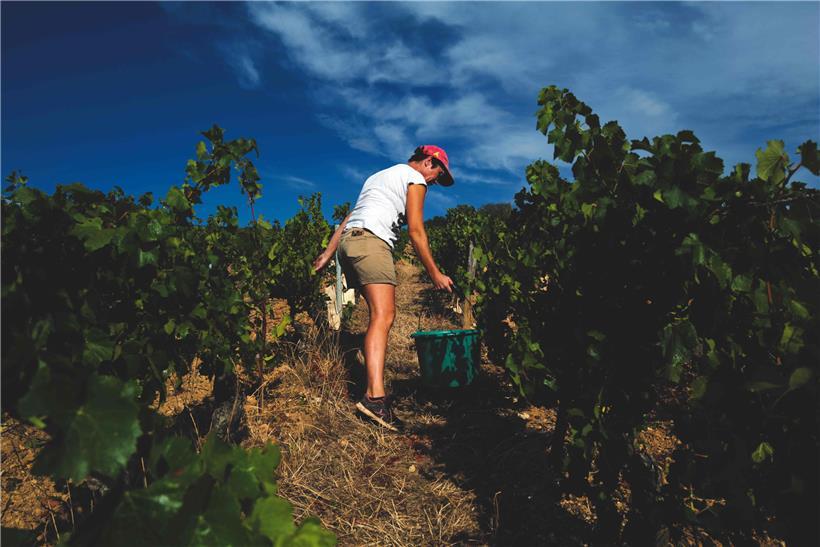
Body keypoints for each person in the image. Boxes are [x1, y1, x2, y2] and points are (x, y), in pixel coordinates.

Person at [313, 145, 456, 431]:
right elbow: (416, 230)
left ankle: (374, 394)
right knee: (384, 315)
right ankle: (375, 398)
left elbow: (350, 218)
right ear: (429, 162)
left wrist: (329, 253)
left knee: (378, 315)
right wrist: (434, 273)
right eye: (437, 176)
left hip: (349, 245)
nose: (434, 183)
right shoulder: (413, 179)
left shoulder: (378, 177)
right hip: (371, 243)